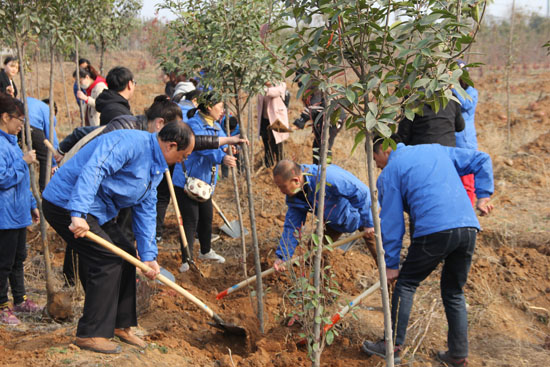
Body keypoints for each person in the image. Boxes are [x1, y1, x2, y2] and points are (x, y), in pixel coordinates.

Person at [42, 122, 195, 354]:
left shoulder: (156, 164)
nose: (181, 161)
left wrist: (148, 256)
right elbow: (95, 169)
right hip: (66, 203)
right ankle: (90, 333)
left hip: (96, 210)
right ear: (171, 145)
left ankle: (120, 325)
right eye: (182, 156)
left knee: (125, 255)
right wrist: (78, 213)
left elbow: (146, 208)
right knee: (106, 258)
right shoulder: (130, 143)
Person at [362, 135, 494, 367]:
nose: (378, 165)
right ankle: (458, 355)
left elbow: (392, 223)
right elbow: (482, 159)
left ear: (385, 150)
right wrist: (483, 197)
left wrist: (391, 265)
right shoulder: (434, 149)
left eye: (376, 159)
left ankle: (390, 345)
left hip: (435, 230)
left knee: (406, 283)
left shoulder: (390, 172)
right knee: (454, 291)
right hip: (468, 227)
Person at [172, 94, 237, 272]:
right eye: (220, 106)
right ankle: (187, 260)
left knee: (206, 217)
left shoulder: (215, 125)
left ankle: (205, 251)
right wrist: (222, 157)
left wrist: (229, 147)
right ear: (209, 107)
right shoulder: (194, 125)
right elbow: (203, 148)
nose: (222, 110)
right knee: (190, 220)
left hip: (204, 184)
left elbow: (222, 140)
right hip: (187, 182)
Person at [272, 160, 375, 271]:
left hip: (361, 211)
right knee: (315, 247)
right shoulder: (295, 196)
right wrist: (284, 256)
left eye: (283, 187)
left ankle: (391, 283)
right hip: (334, 221)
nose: (281, 191)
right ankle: (322, 284)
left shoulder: (328, 176)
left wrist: (369, 222)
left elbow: (362, 193)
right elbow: (292, 226)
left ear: (296, 180)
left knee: (379, 251)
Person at [0, 94, 41, 325]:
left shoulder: (13, 144)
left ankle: (20, 299)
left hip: (18, 213)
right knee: (3, 262)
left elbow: (23, 181)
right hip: (4, 215)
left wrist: (32, 205)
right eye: (19, 120)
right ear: (5, 117)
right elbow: (3, 178)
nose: (21, 125)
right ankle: (1, 305)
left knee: (18, 259)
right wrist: (22, 161)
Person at [292, 71, 343, 164]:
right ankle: (318, 169)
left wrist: (300, 122)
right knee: (317, 145)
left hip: (333, 119)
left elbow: (314, 107)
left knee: (325, 147)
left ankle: (326, 171)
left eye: (300, 80)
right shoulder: (309, 87)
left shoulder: (314, 87)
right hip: (323, 118)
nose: (299, 83)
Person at [454, 60, 479, 206]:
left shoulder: (471, 92)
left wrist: (453, 87)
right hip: (450, 143)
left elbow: (466, 103)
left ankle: (468, 216)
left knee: (467, 183)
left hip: (465, 144)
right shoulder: (449, 91)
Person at [397, 97, 465, 147]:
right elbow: (460, 127)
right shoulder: (451, 97)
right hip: (447, 151)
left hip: (421, 151)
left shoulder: (411, 99)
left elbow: (404, 135)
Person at [27, 97, 59, 192]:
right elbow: (51, 137)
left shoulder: (35, 103)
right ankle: (43, 189)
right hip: (30, 124)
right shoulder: (48, 111)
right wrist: (54, 162)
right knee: (45, 155)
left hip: (14, 119)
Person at [257, 81, 290, 167]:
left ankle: (281, 167)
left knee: (278, 146)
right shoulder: (261, 87)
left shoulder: (281, 85)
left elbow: (274, 92)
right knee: (267, 144)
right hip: (265, 120)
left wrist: (263, 89)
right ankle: (269, 166)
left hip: (277, 120)